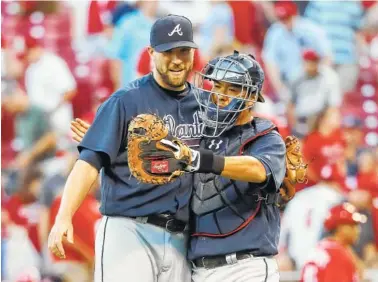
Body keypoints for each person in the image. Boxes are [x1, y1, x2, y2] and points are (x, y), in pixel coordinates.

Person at [72, 51, 287, 281]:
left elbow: (258, 169)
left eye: (232, 89)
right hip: (198, 270)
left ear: (251, 96)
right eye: (217, 87)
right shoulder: (201, 133)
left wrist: (198, 160)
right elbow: (158, 158)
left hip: (246, 267)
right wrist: (111, 142)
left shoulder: (265, 137)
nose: (221, 96)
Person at [48, 14, 199, 282]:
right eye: (168, 52)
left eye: (183, 50)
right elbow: (88, 163)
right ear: (152, 52)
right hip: (130, 229)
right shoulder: (125, 101)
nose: (177, 59)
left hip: (181, 236)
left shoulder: (203, 106)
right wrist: (64, 216)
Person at [300, 203, 366, 282]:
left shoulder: (322, 247)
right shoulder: (336, 253)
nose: (357, 230)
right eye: (352, 225)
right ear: (339, 227)